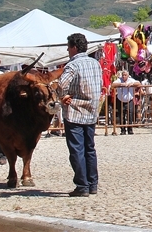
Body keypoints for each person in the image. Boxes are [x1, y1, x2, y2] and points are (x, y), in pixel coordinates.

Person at [58, 33, 103, 197]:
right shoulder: (96, 64)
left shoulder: (73, 65)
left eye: (68, 47)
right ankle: (93, 184)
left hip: (75, 111)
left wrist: (63, 96)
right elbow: (100, 84)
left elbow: (61, 85)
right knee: (89, 148)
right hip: (91, 111)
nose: (68, 50)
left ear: (74, 47)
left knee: (77, 149)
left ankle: (82, 185)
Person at [114, 70, 140, 135]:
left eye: (125, 75)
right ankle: (122, 130)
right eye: (123, 75)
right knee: (121, 115)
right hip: (120, 100)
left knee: (130, 115)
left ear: (128, 76)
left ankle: (130, 129)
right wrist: (121, 84)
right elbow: (113, 84)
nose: (124, 76)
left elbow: (139, 83)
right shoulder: (119, 80)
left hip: (129, 100)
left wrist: (132, 84)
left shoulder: (131, 80)